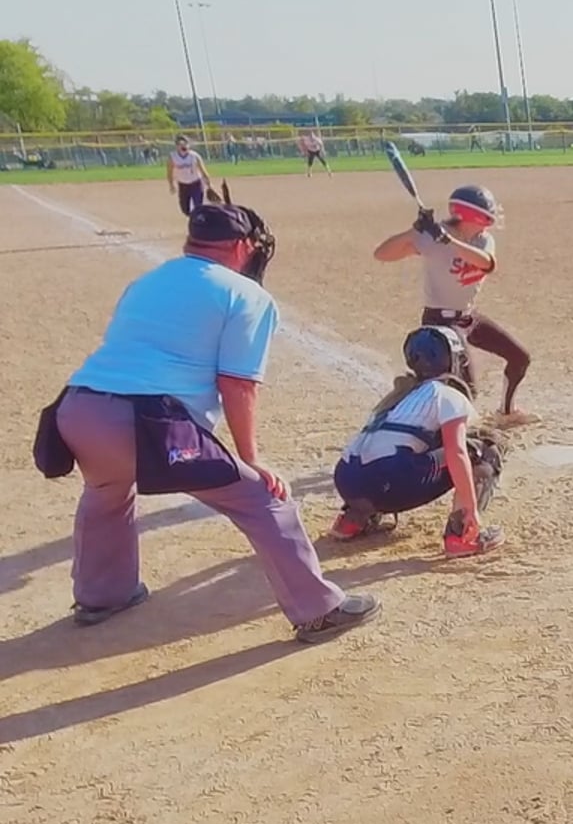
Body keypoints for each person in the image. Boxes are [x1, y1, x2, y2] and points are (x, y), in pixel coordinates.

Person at [47, 203, 379, 642]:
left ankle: (102, 595)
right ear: (241, 245)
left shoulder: (146, 281)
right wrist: (251, 458)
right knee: (263, 498)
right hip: (142, 420)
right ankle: (319, 610)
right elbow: (238, 384)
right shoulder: (245, 294)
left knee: (107, 489)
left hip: (76, 409)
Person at [329, 327, 506, 557]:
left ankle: (352, 519)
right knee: (485, 448)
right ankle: (462, 535)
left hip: (346, 479)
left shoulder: (398, 396)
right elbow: (456, 452)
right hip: (390, 480)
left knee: (404, 449)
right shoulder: (446, 394)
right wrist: (470, 508)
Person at [374, 185, 534, 421]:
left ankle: (507, 412)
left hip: (468, 317)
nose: (490, 222)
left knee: (520, 357)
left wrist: (448, 241)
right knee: (467, 389)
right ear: (473, 216)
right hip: (440, 322)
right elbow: (382, 254)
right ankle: (421, 414)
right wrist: (413, 231)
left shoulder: (482, 240)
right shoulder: (431, 238)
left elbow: (486, 263)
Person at [166, 135, 214, 218]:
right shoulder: (172, 157)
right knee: (185, 209)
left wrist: (209, 184)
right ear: (177, 146)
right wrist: (171, 184)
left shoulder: (194, 156)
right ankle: (193, 217)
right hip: (183, 185)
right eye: (180, 144)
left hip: (196, 184)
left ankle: (199, 220)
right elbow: (169, 172)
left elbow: (203, 171)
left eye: (185, 144)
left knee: (198, 205)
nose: (183, 146)